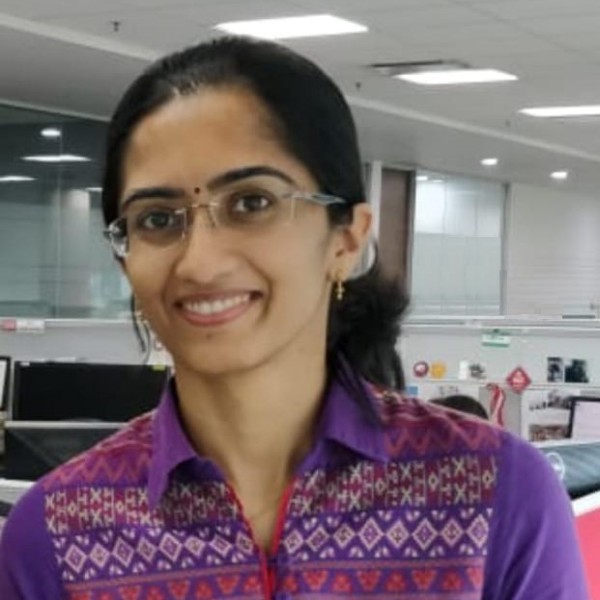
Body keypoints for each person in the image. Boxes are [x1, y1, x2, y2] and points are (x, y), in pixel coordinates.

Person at [0, 37, 589, 599]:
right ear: (124, 257)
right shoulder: (57, 529)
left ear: (347, 238)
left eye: (252, 202)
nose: (199, 263)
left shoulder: (494, 492)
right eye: (157, 218)